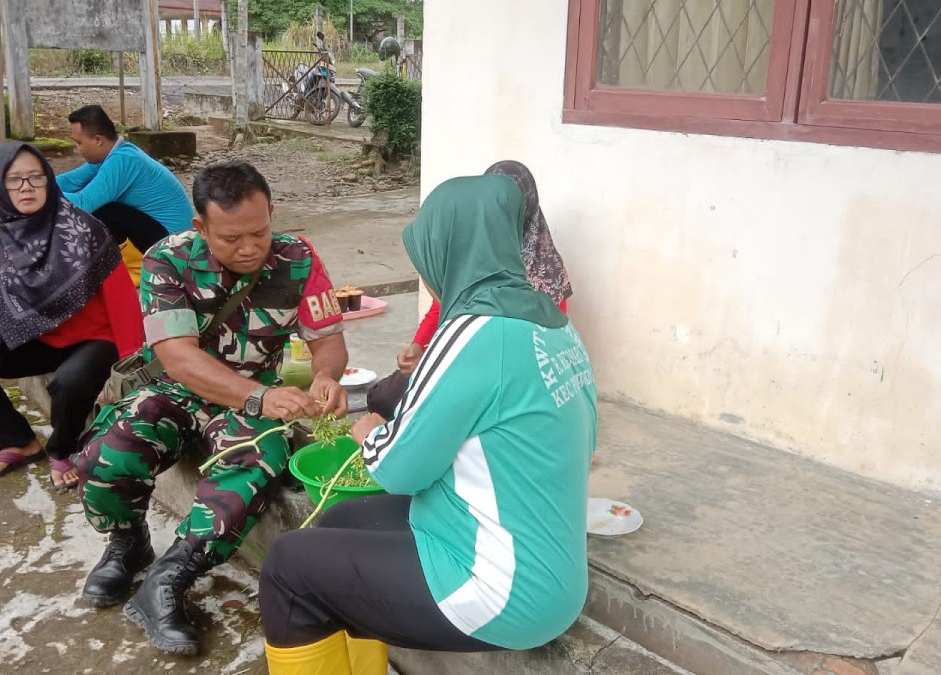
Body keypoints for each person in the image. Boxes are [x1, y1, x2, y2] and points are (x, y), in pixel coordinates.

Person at [257, 174, 598, 674]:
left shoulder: (473, 330)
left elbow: (395, 469)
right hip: (551, 567)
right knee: (336, 525)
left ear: (446, 249)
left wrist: (369, 429)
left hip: (502, 586)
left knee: (289, 569)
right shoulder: (551, 320)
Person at [73, 160, 349, 656]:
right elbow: (176, 356)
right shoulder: (167, 259)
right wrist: (259, 395)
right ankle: (128, 542)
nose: (248, 248)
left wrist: (326, 375)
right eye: (230, 238)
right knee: (106, 455)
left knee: (254, 470)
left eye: (259, 233)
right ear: (200, 227)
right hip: (184, 389)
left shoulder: (298, 257)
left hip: (256, 399)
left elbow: (328, 339)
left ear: (271, 215)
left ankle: (168, 579)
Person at [0, 142, 143, 491]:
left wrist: (131, 370)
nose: (26, 187)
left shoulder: (83, 231)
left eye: (35, 176)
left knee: (71, 379)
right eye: (14, 180)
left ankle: (63, 449)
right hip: (33, 339)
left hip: (93, 341)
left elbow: (123, 302)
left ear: (49, 181)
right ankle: (17, 441)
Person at [368, 159, 573, 420]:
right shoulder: (479, 246)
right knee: (381, 397)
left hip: (507, 379)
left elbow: (545, 349)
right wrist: (418, 346)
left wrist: (444, 367)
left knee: (433, 414)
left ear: (525, 207)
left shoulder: (547, 269)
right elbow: (443, 304)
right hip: (462, 359)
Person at [57, 104, 195, 283]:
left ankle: (127, 270)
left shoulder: (124, 160)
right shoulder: (113, 154)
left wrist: (38, 195)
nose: (77, 149)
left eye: (79, 143)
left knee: (103, 209)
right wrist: (37, 180)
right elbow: (71, 180)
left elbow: (83, 202)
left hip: (174, 248)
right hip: (162, 235)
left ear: (98, 140)